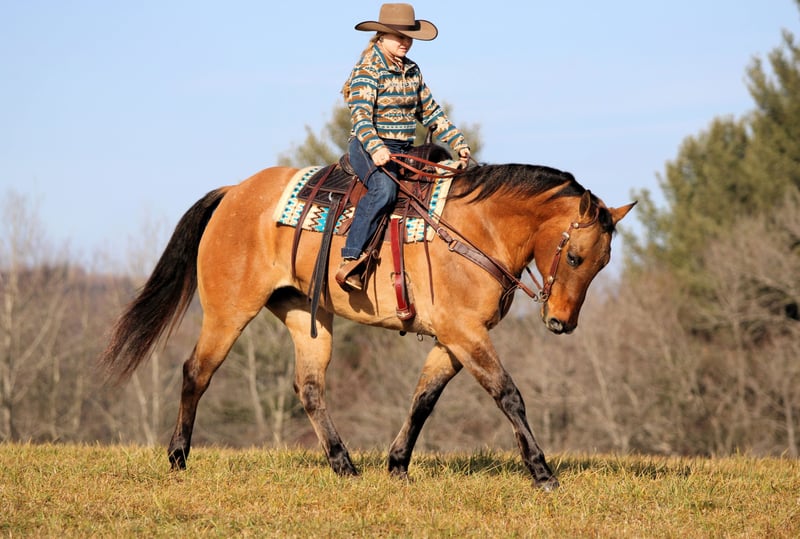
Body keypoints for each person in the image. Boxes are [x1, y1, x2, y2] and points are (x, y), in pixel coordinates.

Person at [335, 3, 471, 291]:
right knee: (383, 190)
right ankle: (351, 257)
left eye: (409, 37)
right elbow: (361, 116)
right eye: (399, 36)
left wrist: (458, 141)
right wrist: (375, 147)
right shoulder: (368, 69)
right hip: (367, 146)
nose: (405, 42)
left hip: (403, 149)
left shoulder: (412, 70)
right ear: (382, 36)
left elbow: (430, 112)